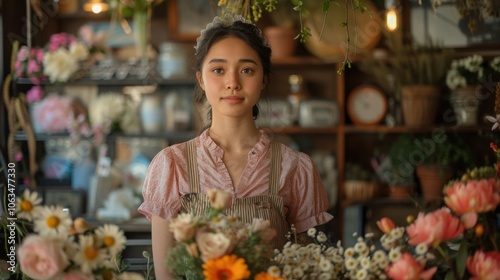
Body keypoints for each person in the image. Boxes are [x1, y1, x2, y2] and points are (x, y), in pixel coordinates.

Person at [138, 14, 333, 279]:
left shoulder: (296, 168)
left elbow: (309, 270)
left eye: (247, 70)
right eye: (218, 70)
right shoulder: (172, 164)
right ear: (201, 79)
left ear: (264, 79)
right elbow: (166, 275)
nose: (233, 83)